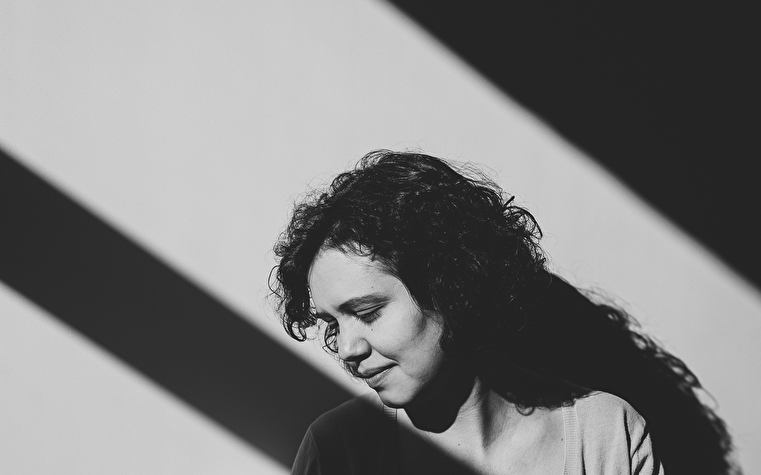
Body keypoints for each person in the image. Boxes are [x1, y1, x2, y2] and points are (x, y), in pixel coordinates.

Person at [269, 150, 735, 475]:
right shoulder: (338, 451)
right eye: (333, 324)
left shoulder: (606, 435)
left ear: (449, 286)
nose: (347, 349)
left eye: (368, 313)